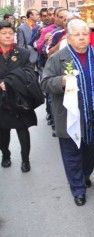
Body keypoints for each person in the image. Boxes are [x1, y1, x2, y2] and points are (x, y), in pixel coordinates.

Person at [41, 18, 94, 206]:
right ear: (69, 37)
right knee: (72, 154)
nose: (82, 38)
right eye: (77, 35)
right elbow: (44, 83)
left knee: (90, 152)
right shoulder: (57, 58)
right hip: (69, 118)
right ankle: (78, 188)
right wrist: (61, 81)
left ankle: (85, 174)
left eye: (85, 34)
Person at [0, 20, 42, 172]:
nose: (8, 36)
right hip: (1, 101)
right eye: (4, 33)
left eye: (10, 33)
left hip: (19, 99)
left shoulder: (22, 53)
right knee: (2, 132)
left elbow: (29, 73)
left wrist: (11, 82)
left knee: (23, 131)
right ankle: (5, 154)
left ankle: (25, 159)